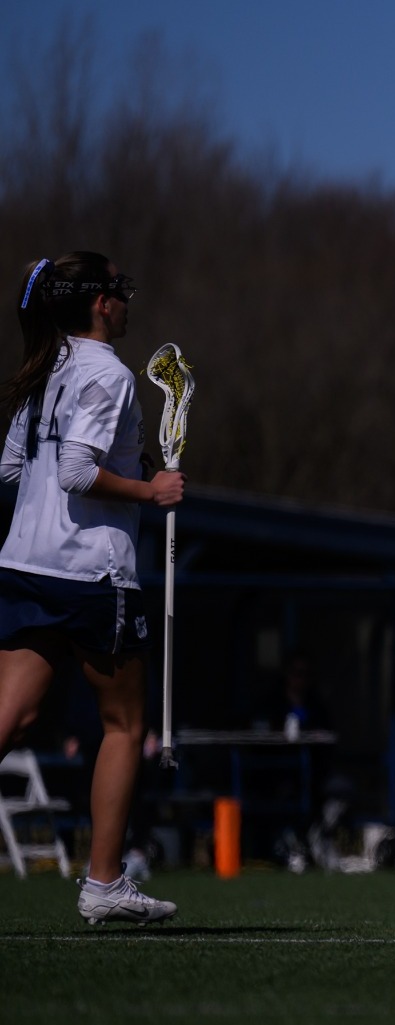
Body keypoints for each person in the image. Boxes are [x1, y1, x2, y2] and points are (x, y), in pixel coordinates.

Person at [0, 252, 183, 923]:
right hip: (90, 571)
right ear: (100, 304)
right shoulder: (106, 372)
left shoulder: (43, 366)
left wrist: (131, 464)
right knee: (126, 724)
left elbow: (14, 466)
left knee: (11, 717)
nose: (127, 301)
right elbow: (78, 471)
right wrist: (149, 488)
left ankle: (107, 881)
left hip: (25, 559)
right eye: (119, 292)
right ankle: (104, 883)